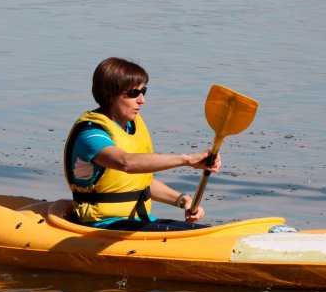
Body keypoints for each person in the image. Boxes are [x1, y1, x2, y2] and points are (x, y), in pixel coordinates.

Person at [63, 57, 221, 231]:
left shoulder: (131, 126)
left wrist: (182, 200)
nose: (141, 100)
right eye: (133, 94)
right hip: (102, 225)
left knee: (203, 229)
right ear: (110, 94)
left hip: (140, 220)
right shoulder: (91, 134)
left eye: (143, 91)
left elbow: (138, 182)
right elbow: (126, 163)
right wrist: (187, 160)